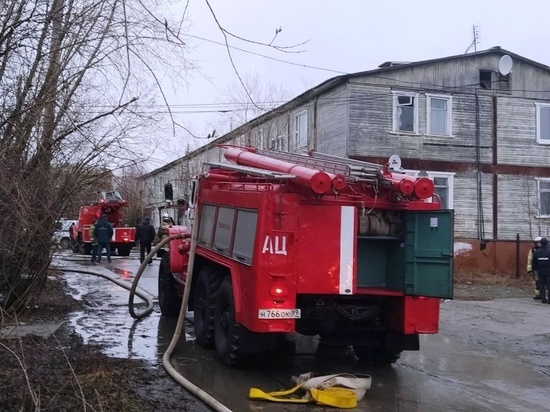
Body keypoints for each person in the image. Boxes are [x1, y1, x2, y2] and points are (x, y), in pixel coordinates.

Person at [532, 237, 550, 304]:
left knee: (541, 284)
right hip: (548, 270)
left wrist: (534, 270)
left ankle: (543, 299)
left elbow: (534, 262)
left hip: (540, 270)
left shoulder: (536, 252)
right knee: (549, 284)